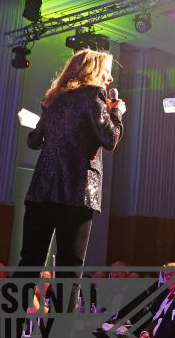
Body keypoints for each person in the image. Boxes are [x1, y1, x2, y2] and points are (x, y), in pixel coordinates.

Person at [18, 49, 125, 282]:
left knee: (29, 262)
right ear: (93, 71)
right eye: (106, 71)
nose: (110, 78)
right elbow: (110, 139)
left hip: (41, 192)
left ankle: (11, 308)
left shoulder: (53, 98)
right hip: (76, 191)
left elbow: (34, 141)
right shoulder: (94, 95)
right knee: (69, 268)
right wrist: (116, 112)